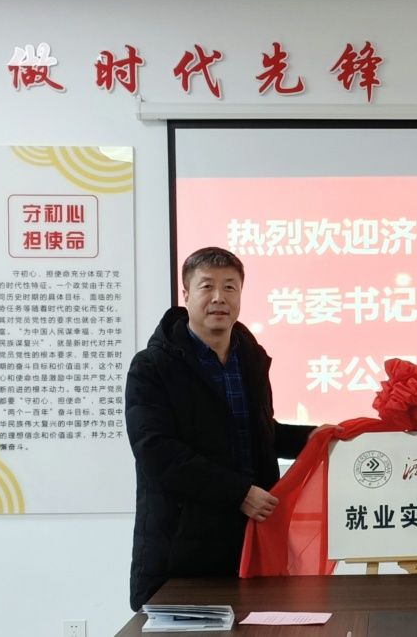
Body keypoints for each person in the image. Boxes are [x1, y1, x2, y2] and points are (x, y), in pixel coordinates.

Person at [125, 246, 320, 611]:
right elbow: (156, 451)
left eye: (230, 287)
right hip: (181, 548)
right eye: (207, 286)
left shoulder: (250, 358)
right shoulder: (152, 366)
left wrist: (320, 437)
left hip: (251, 539)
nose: (219, 297)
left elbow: (257, 432)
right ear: (186, 294)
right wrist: (238, 493)